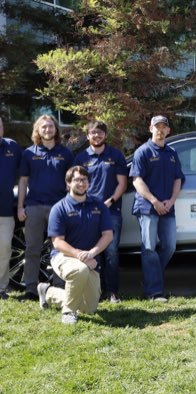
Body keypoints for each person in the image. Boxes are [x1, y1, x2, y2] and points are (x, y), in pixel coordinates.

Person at [37, 166, 113, 324]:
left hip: (89, 258)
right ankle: (68, 312)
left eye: (84, 180)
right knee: (80, 269)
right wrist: (80, 255)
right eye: (77, 180)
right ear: (68, 184)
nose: (81, 183)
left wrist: (92, 253)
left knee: (89, 308)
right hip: (63, 256)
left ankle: (48, 292)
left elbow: (108, 235)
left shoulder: (99, 206)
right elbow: (57, 242)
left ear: (88, 183)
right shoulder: (59, 208)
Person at [18, 115, 73, 301]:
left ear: (56, 130)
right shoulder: (28, 153)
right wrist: (20, 206)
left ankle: (59, 286)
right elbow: (23, 181)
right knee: (32, 249)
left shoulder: (65, 154)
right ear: (38, 131)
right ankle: (31, 289)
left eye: (51, 127)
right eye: (44, 127)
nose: (48, 130)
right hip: (34, 207)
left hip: (58, 208)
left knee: (58, 249)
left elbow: (70, 183)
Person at [129, 115, 184, 302]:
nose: (160, 130)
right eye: (157, 126)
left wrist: (171, 200)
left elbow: (178, 179)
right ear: (150, 128)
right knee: (150, 248)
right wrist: (154, 201)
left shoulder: (172, 153)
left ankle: (151, 280)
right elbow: (137, 180)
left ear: (168, 130)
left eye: (164, 127)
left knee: (169, 247)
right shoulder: (142, 152)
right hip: (147, 208)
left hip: (168, 207)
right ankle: (154, 292)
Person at [74, 121, 128, 303]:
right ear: (87, 136)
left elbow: (122, 183)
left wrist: (111, 200)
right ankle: (95, 291)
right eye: (92, 133)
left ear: (105, 135)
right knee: (92, 252)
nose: (96, 136)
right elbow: (76, 184)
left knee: (111, 252)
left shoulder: (116, 156)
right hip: (88, 211)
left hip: (111, 211)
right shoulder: (81, 158)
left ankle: (112, 292)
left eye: (100, 133)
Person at [0, 117, 22, 299]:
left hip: (5, 210)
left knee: (5, 248)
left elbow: (24, 173)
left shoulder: (12, 147)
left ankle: (1, 287)